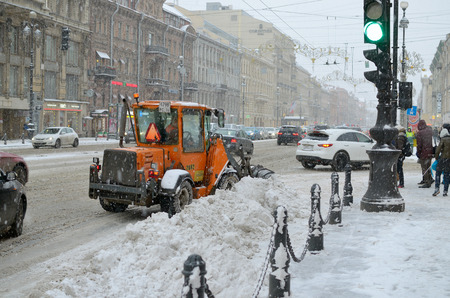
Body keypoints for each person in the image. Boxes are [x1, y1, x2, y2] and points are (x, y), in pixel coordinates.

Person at [416, 119, 434, 188]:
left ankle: (427, 182)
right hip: (430, 151)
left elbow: (419, 145)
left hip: (424, 152)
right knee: (428, 166)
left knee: (424, 168)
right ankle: (430, 179)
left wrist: (418, 152)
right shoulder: (430, 131)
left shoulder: (420, 133)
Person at [433, 128, 450, 196]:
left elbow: (438, 149)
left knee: (438, 173)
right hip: (449, 160)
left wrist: (436, 157)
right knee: (447, 175)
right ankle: (445, 191)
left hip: (443, 159)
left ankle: (437, 189)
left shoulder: (443, 139)